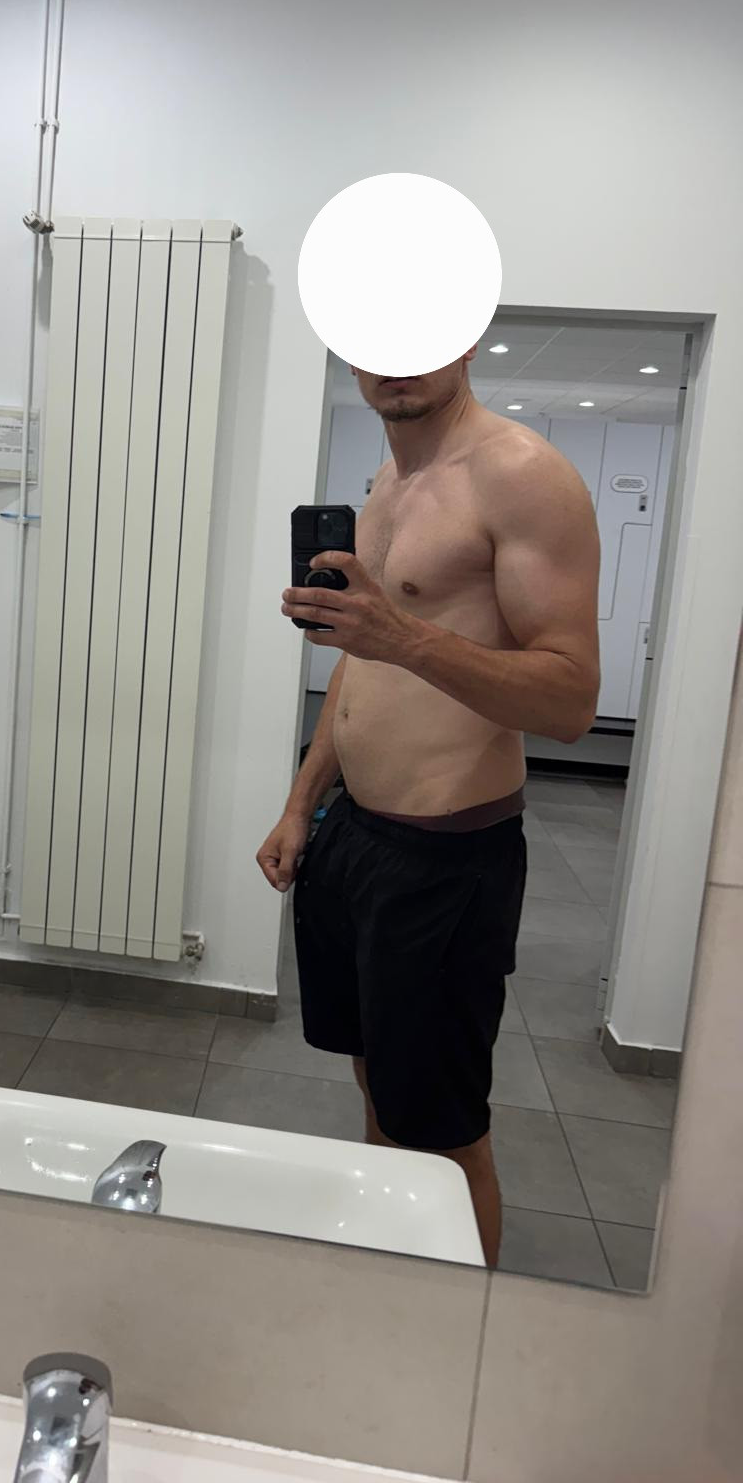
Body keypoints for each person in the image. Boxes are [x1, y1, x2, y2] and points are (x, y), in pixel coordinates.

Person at [257, 349, 600, 1267]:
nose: (397, 360)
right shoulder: (388, 483)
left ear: (465, 336)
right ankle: (394, 1278)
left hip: (445, 863)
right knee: (380, 1089)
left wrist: (403, 636)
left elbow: (570, 701)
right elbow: (360, 666)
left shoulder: (523, 476)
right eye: (379, 337)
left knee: (444, 1133)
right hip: (355, 839)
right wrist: (301, 804)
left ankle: (455, 1322)